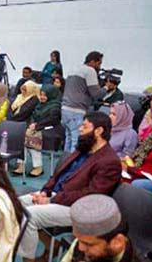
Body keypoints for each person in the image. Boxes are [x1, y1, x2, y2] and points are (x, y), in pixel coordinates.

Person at [17, 112, 121, 261]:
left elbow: (91, 194)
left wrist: (52, 200)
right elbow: (57, 175)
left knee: (30, 216)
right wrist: (45, 192)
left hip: (79, 208)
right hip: (58, 196)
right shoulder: (83, 149)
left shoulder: (109, 161)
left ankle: (28, 259)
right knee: (16, 205)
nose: (80, 129)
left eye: (85, 126)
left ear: (99, 131)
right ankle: (50, 246)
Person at [61, 195, 136, 262]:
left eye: (88, 244)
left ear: (117, 242)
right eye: (78, 238)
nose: (80, 248)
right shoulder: (81, 242)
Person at [61, 51, 106, 152]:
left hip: (65, 109)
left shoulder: (74, 69)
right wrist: (106, 87)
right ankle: (73, 166)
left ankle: (64, 164)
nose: (99, 67)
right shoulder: (90, 71)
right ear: (93, 62)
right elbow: (96, 94)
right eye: (99, 64)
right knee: (76, 141)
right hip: (77, 111)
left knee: (68, 140)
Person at [17, 84, 65, 177]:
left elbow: (52, 120)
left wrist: (37, 125)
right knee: (21, 135)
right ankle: (21, 164)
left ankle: (38, 167)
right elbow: (33, 117)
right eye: (41, 94)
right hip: (37, 128)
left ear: (51, 95)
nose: (42, 97)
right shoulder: (39, 105)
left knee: (32, 138)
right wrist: (32, 125)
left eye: (45, 95)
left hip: (52, 131)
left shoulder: (55, 106)